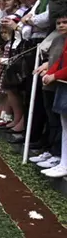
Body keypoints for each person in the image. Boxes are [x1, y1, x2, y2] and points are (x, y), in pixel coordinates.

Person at [39, 14, 67, 178]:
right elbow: (60, 61)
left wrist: (54, 76)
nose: (61, 25)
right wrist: (50, 73)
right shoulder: (63, 40)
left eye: (65, 22)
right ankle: (63, 162)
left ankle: (63, 163)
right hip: (63, 84)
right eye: (59, 23)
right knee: (64, 125)